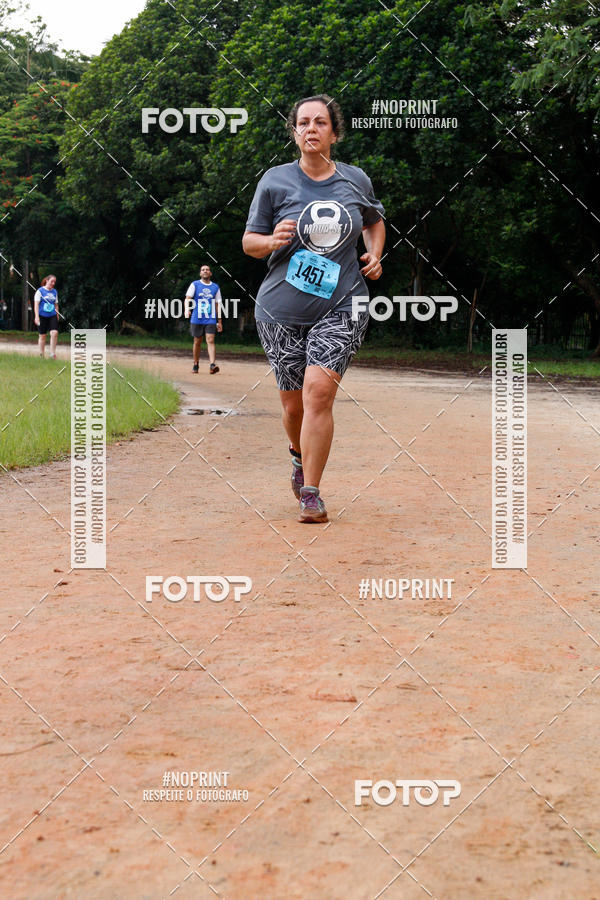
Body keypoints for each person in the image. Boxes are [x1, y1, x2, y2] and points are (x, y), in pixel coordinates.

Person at [243, 94, 385, 523]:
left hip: (342, 304)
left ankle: (311, 492)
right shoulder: (274, 181)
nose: (311, 129)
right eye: (303, 123)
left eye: (320, 122)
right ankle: (297, 455)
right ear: (294, 132)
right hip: (280, 310)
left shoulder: (355, 180)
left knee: (319, 392)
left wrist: (375, 254)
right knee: (293, 407)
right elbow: (250, 243)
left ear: (333, 133)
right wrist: (272, 241)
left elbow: (374, 220)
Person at [184, 264, 223, 374]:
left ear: (210, 273)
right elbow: (187, 298)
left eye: (207, 270)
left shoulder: (215, 287)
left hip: (210, 318)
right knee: (197, 341)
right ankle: (196, 364)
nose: (205, 271)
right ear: (200, 273)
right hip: (197, 318)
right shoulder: (195, 284)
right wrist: (187, 309)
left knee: (210, 340)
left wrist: (219, 321)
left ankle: (212, 365)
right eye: (203, 270)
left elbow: (217, 305)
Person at [34, 275, 59, 359]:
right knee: (42, 336)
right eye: (52, 281)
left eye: (54, 282)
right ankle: (41, 355)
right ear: (47, 281)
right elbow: (36, 305)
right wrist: (36, 316)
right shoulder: (40, 291)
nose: (53, 283)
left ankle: (52, 354)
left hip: (52, 315)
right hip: (42, 316)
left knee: (54, 333)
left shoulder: (55, 291)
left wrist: (57, 314)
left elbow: (56, 305)